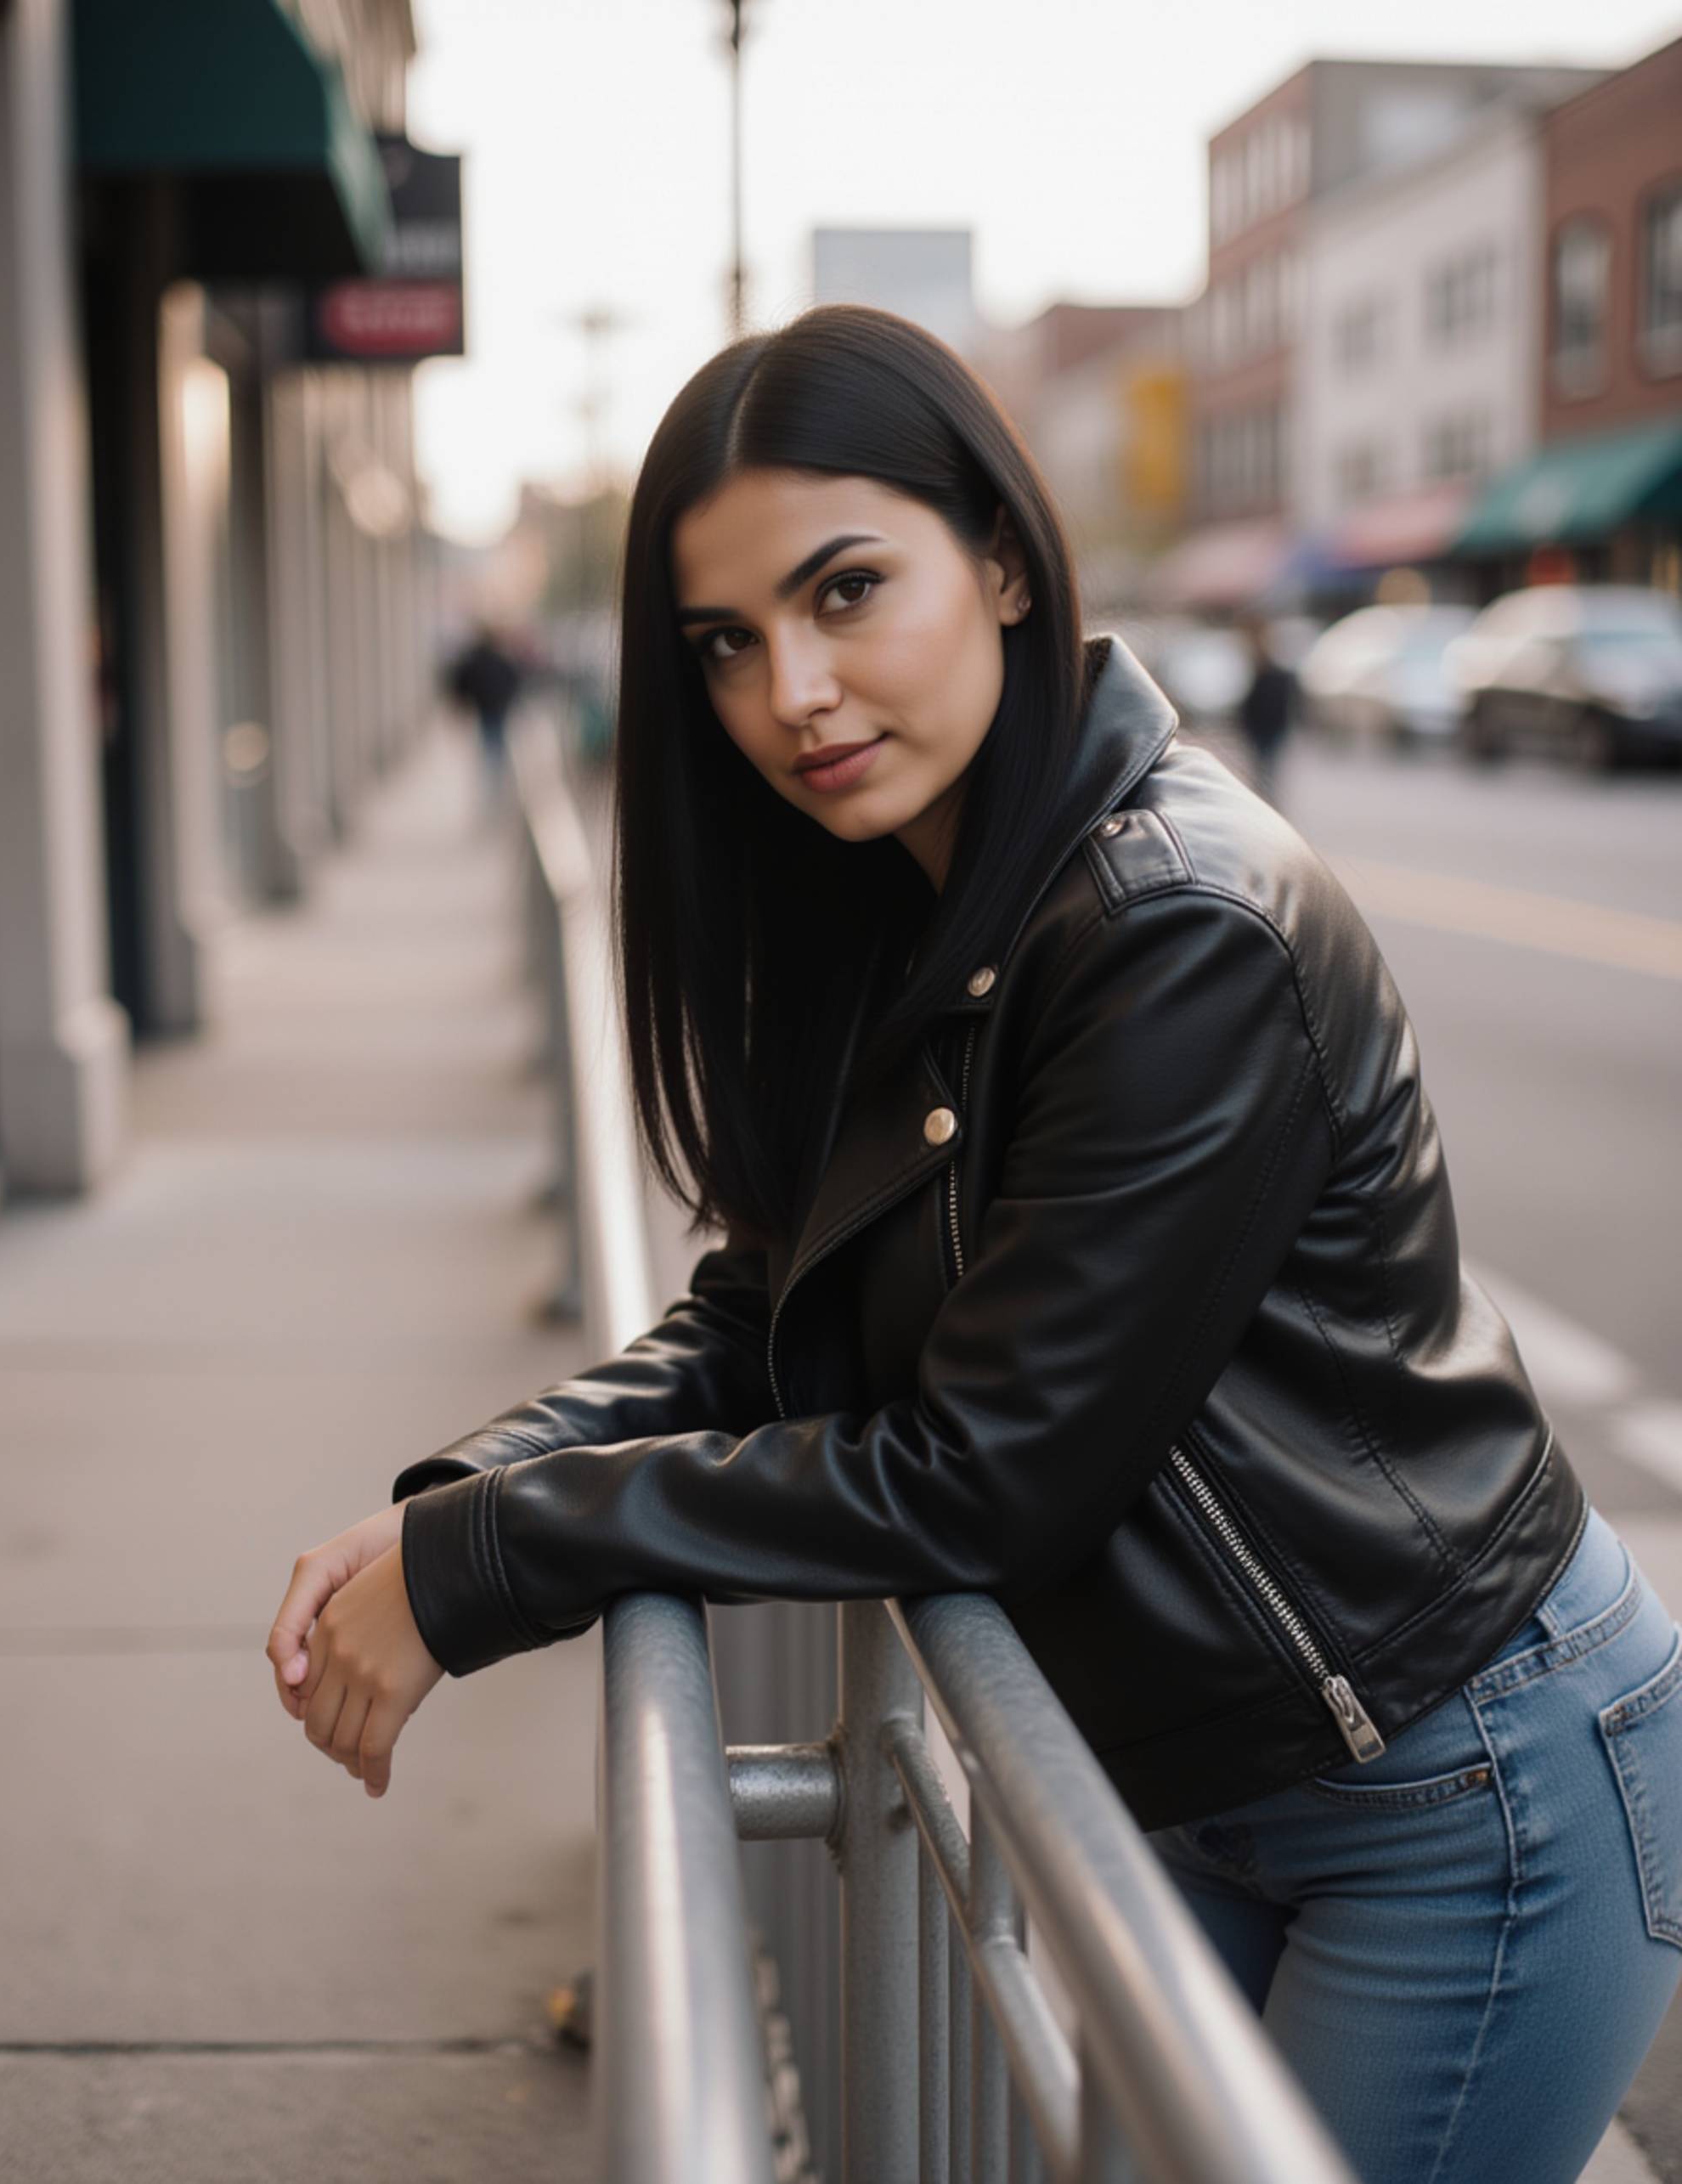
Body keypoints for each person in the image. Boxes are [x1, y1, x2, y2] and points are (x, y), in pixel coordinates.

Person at [264, 305, 1682, 2183]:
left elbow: (986, 1474)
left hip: (1455, 1786)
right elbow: (770, 1308)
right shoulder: (918, 895)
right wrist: (475, 1479)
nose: (793, 692)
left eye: (846, 591)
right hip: (1204, 1777)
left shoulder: (1176, 926)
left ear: (1001, 557)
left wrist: (500, 1560)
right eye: (726, 644)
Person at [445, 620, 523, 820]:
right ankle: (496, 791)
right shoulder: (498, 659)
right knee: (495, 748)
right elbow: (513, 679)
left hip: (487, 709)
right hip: (496, 709)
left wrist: (461, 706)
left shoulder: (475, 660)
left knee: (491, 747)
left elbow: (460, 683)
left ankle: (494, 791)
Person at [1234, 614, 1295, 809]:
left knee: (1266, 768)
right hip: (1261, 727)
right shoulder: (1256, 669)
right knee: (1262, 768)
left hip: (1269, 727)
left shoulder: (1273, 673)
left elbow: (1280, 703)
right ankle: (1265, 800)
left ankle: (1266, 801)